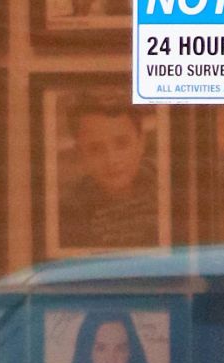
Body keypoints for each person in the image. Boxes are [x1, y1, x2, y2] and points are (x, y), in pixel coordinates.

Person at [57, 98, 160, 254]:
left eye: (122, 144)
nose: (111, 160)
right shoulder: (69, 214)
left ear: (141, 142)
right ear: (80, 155)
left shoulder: (169, 187)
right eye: (96, 149)